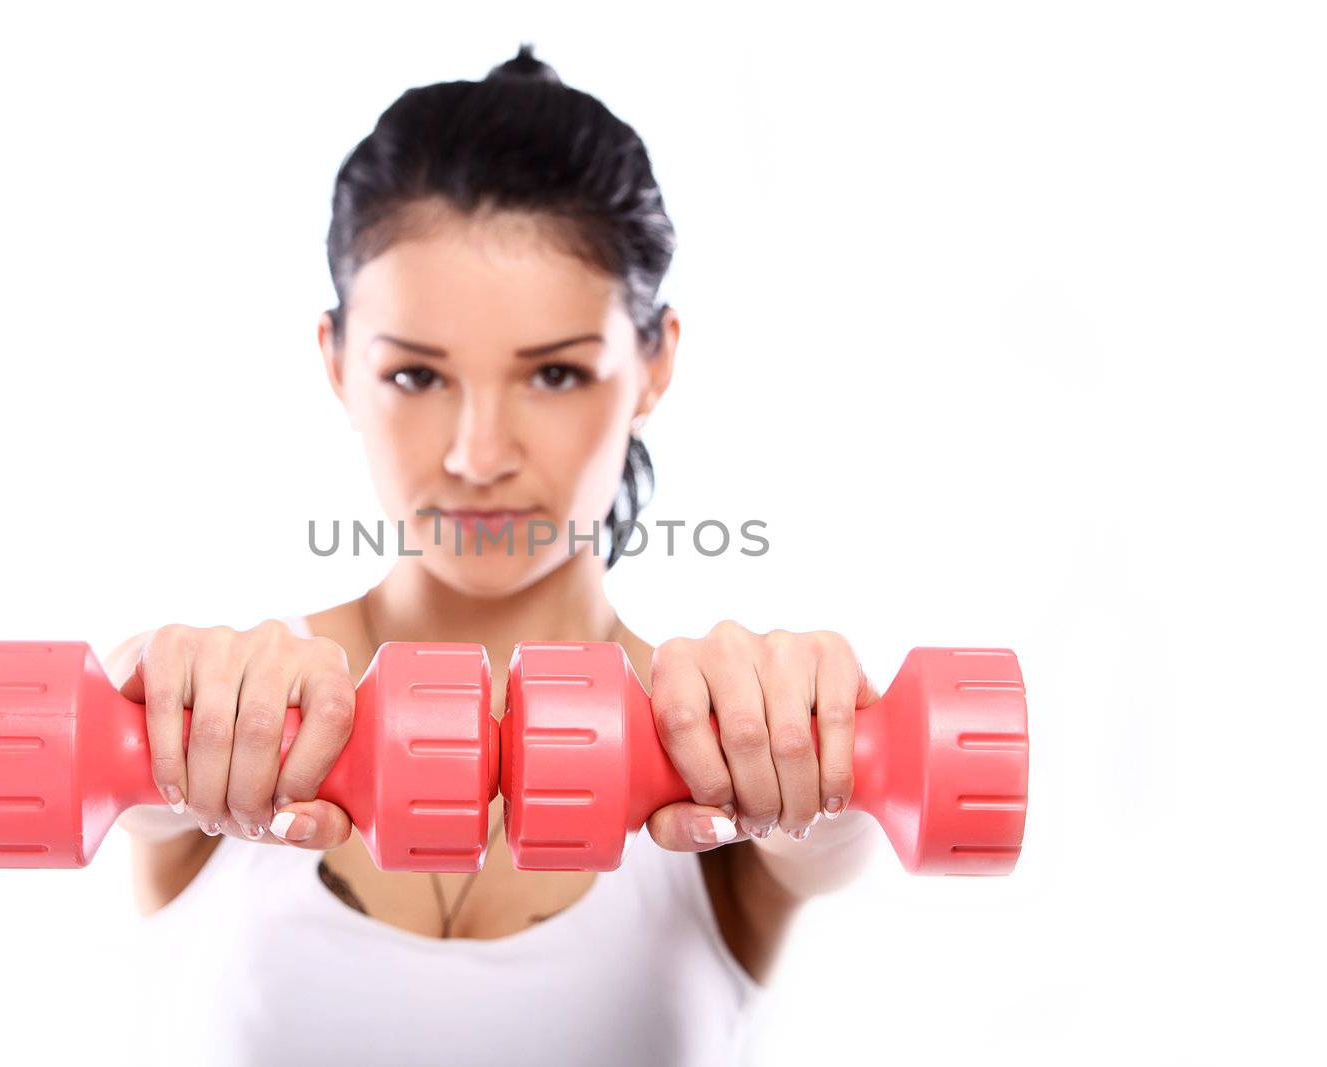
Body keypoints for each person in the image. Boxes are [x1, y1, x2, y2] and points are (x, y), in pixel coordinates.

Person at [103, 43, 880, 1067]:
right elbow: (139, 797)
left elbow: (829, 843)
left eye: (554, 374)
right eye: (417, 377)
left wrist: (830, 774)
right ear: (337, 364)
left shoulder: (732, 739)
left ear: (655, 364)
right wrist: (143, 733)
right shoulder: (217, 710)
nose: (477, 456)